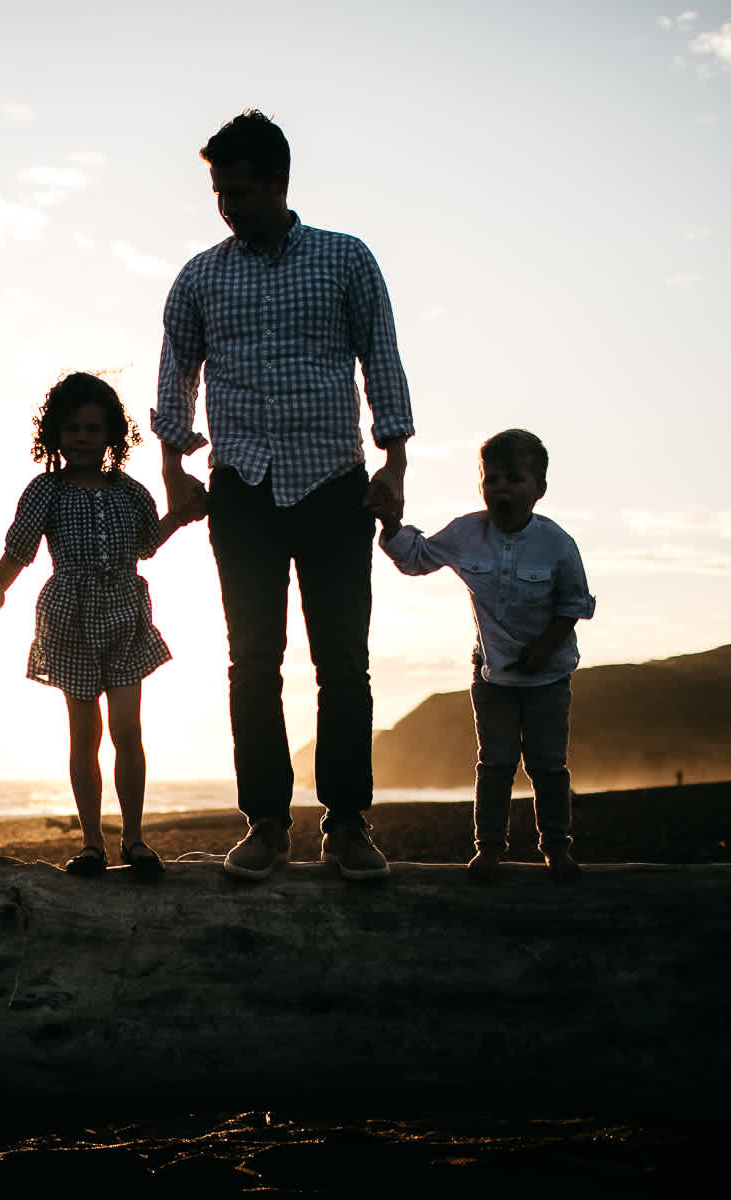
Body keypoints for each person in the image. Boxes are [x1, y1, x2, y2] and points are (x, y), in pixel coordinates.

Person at [152, 109, 413, 881]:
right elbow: (176, 377)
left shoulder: (345, 260)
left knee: (344, 662)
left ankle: (347, 824)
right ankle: (266, 823)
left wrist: (394, 464)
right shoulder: (201, 275)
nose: (227, 206)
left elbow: (383, 362)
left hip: (334, 483)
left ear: (278, 180)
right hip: (243, 489)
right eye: (217, 193)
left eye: (238, 191)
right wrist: (174, 471)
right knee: (252, 662)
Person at [0, 373, 203, 880]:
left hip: (125, 611)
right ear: (52, 434)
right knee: (83, 737)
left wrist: (180, 517)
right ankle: (92, 842)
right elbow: (18, 555)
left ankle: (134, 838)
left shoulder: (131, 492)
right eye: (71, 428)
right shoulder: (45, 491)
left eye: (93, 429)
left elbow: (144, 545)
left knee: (127, 730)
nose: (81, 437)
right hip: (68, 617)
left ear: (111, 437)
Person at [379, 429, 595, 881]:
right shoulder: (466, 533)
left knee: (547, 765)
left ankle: (557, 848)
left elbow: (574, 605)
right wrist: (392, 527)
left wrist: (543, 649)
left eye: (513, 478)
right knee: (494, 764)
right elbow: (418, 558)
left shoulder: (557, 544)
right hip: (493, 677)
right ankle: (489, 849)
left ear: (539, 489)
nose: (500, 487)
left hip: (549, 678)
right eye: (490, 478)